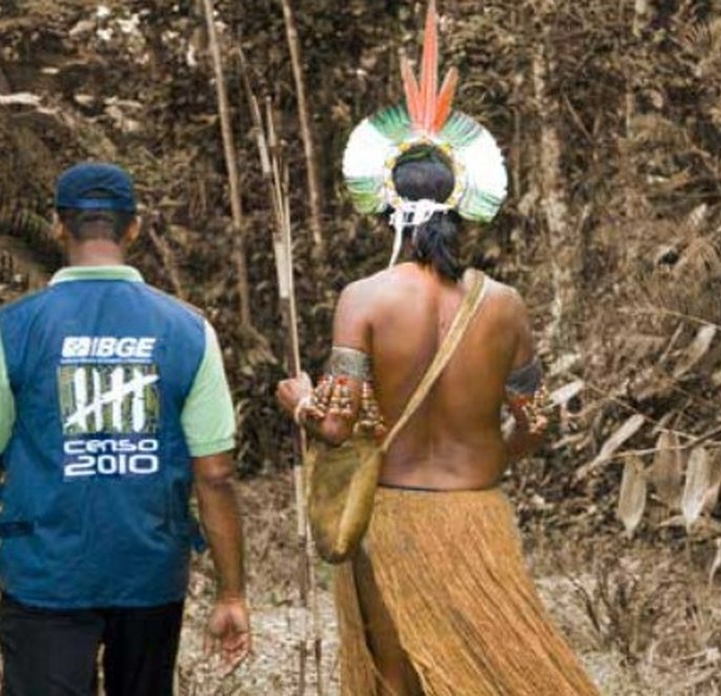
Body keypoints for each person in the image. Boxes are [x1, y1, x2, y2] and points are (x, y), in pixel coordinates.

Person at [276, 4, 599, 695]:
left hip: (390, 518)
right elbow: (539, 422)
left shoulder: (363, 299)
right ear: (462, 204)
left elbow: (337, 426)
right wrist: (489, 459)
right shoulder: (504, 304)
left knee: (398, 680)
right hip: (478, 515)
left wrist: (301, 403)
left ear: (385, 207)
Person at [0, 162, 250, 696]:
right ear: (133, 228)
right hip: (149, 572)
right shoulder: (189, 331)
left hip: (45, 571)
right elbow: (215, 474)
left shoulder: (10, 331)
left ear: (57, 225)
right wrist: (231, 594)